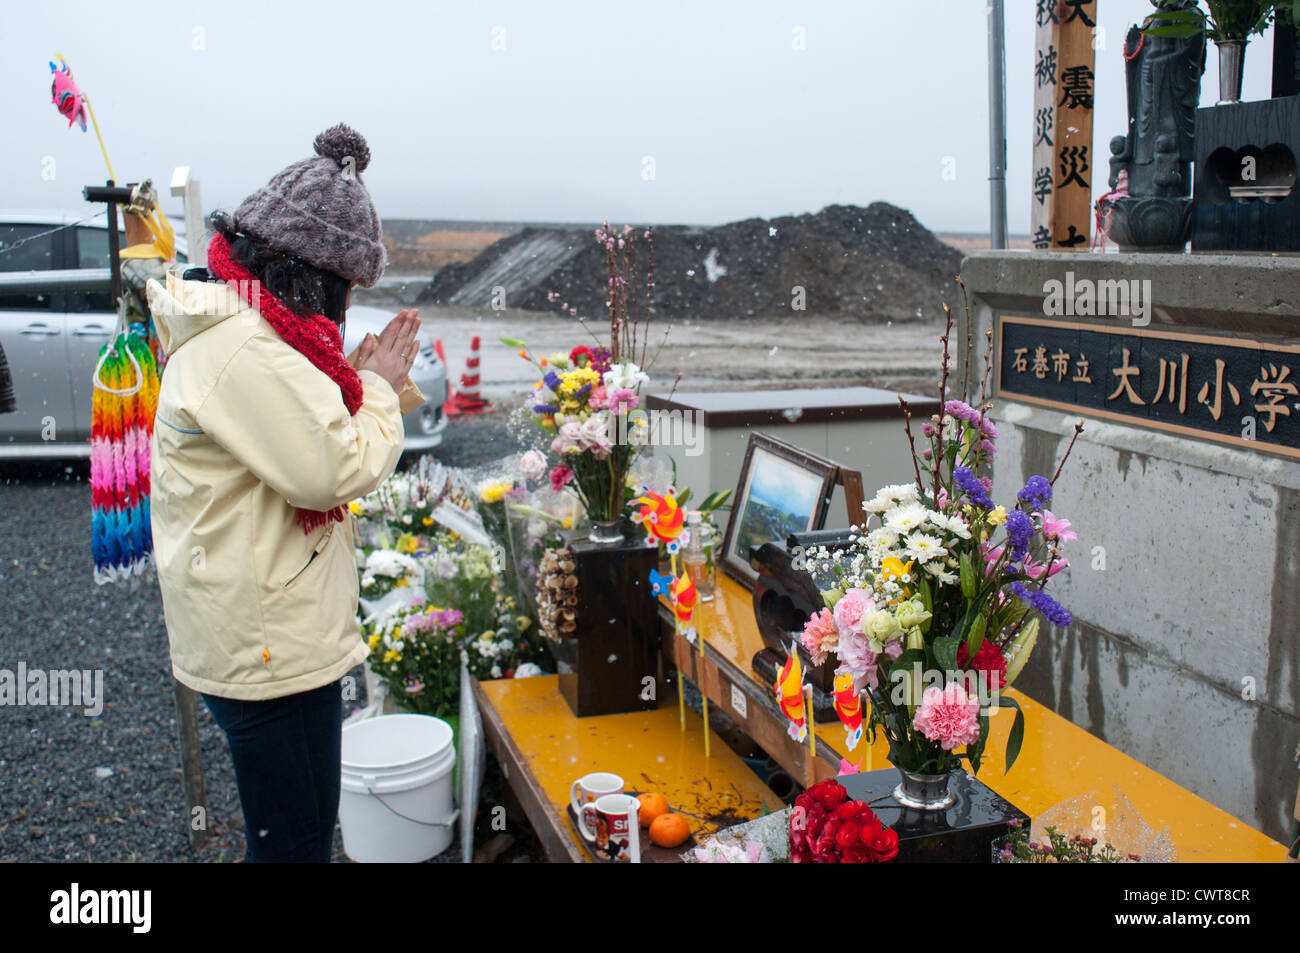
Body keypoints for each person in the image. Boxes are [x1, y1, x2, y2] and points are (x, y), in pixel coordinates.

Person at [146, 124, 424, 862]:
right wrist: (379, 391)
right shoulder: (246, 349)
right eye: (341, 291)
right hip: (268, 648)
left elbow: (311, 424)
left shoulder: (249, 325)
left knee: (289, 833)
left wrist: (366, 383)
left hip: (257, 632)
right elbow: (331, 467)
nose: (338, 312)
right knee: (295, 843)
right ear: (307, 274)